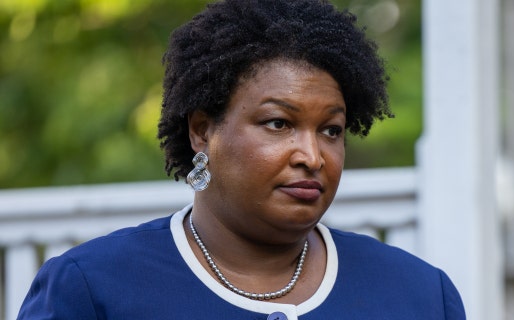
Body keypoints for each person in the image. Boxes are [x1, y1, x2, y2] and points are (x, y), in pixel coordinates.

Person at [18, 0, 465, 319]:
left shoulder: (420, 295)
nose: (312, 156)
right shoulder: (92, 289)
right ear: (201, 130)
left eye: (331, 130)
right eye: (278, 123)